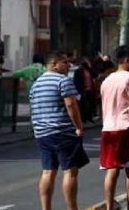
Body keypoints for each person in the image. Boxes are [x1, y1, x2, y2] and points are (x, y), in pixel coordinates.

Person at [30, 52, 89, 210]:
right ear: (54, 64)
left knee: (48, 172)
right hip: (63, 131)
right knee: (70, 171)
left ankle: (45, 208)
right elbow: (71, 105)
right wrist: (78, 126)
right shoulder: (63, 81)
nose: (69, 65)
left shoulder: (36, 83)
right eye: (65, 62)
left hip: (42, 133)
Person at [99, 45, 129, 210]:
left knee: (112, 169)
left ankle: (109, 206)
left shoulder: (106, 80)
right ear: (127, 60)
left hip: (108, 128)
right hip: (126, 127)